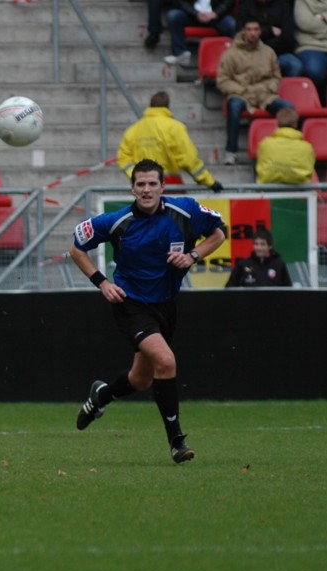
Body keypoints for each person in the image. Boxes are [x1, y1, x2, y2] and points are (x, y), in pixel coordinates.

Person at [69, 158, 227, 463]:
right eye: (140, 184)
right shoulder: (115, 221)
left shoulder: (186, 210)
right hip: (131, 304)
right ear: (132, 188)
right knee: (166, 362)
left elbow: (219, 233)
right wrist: (102, 283)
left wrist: (193, 255)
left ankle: (100, 396)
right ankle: (176, 442)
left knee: (140, 380)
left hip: (166, 306)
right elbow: (77, 248)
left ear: (163, 186)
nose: (146, 189)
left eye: (152, 183)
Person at [217, 18, 294, 165]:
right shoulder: (230, 54)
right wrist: (242, 89)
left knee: (288, 108)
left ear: (260, 32)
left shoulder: (268, 52)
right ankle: (231, 151)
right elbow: (223, 80)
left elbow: (276, 77)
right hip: (241, 93)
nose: (252, 33)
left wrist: (269, 88)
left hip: (264, 95)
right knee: (233, 106)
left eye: (256, 29)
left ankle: (286, 150)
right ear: (243, 32)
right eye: (249, 29)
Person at [118, 91, 224, 191]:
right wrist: (209, 181)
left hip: (142, 189)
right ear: (167, 107)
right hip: (169, 187)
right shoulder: (174, 127)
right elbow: (188, 159)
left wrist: (138, 177)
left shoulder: (133, 130)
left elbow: (124, 159)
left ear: (150, 106)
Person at [238, 0, 304, 76]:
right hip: (253, 53)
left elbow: (288, 38)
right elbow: (241, 35)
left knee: (295, 66)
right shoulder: (246, 7)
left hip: (278, 53)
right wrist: (269, 30)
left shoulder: (283, 6)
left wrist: (263, 45)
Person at [164, 0, 237, 65]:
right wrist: (195, 13)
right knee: (173, 16)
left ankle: (229, 58)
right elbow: (181, 2)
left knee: (231, 25)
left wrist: (215, 14)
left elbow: (228, 2)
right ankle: (180, 53)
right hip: (193, 15)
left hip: (215, 16)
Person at [255, 107, 316, 184]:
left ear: (278, 123)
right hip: (300, 191)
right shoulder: (306, 147)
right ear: (296, 124)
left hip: (267, 190)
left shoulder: (265, 144)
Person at [225, 228, 293, 286]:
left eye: (262, 244)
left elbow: (288, 291)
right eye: (256, 244)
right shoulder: (243, 265)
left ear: (270, 246)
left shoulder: (279, 265)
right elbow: (229, 291)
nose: (259, 248)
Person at [294, 0, 327, 104]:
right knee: (315, 71)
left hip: (314, 37)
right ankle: (318, 104)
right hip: (311, 46)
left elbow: (313, 25)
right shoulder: (302, 1)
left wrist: (322, 17)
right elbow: (306, 24)